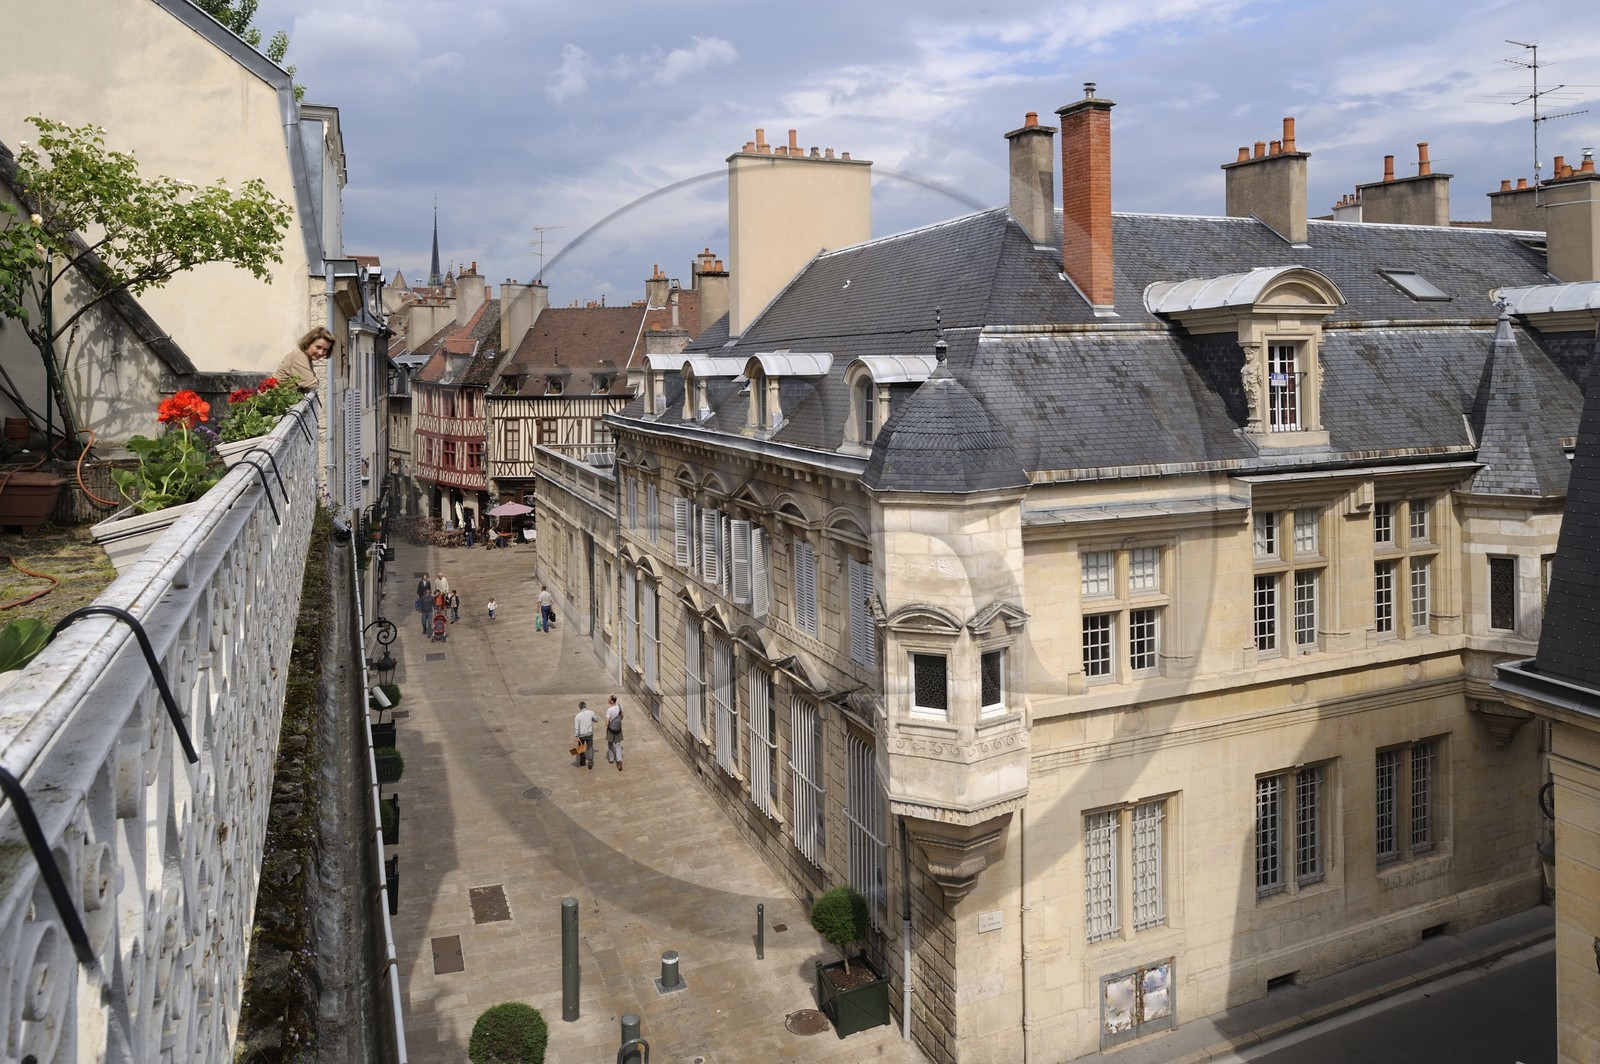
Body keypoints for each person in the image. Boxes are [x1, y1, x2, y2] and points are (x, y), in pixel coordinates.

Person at [276, 326, 335, 391]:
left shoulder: (307, 358)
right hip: (274, 398)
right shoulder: (299, 355)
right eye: (318, 347)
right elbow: (311, 384)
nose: (320, 352)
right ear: (308, 343)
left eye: (325, 350)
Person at [573, 701, 598, 770]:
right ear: (585, 706)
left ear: (579, 707)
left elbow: (576, 727)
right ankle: (590, 760)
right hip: (589, 733)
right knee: (590, 747)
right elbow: (596, 719)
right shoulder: (591, 712)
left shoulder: (577, 716)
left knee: (580, 747)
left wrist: (576, 736)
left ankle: (583, 761)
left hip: (581, 735)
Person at [604, 694, 625, 771]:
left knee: (610, 744)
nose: (608, 700)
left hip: (611, 729)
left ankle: (611, 759)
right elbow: (622, 716)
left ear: (612, 701)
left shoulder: (609, 710)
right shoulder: (620, 706)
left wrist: (610, 723)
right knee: (618, 745)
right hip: (618, 728)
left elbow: (606, 723)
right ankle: (619, 761)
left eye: (609, 699)